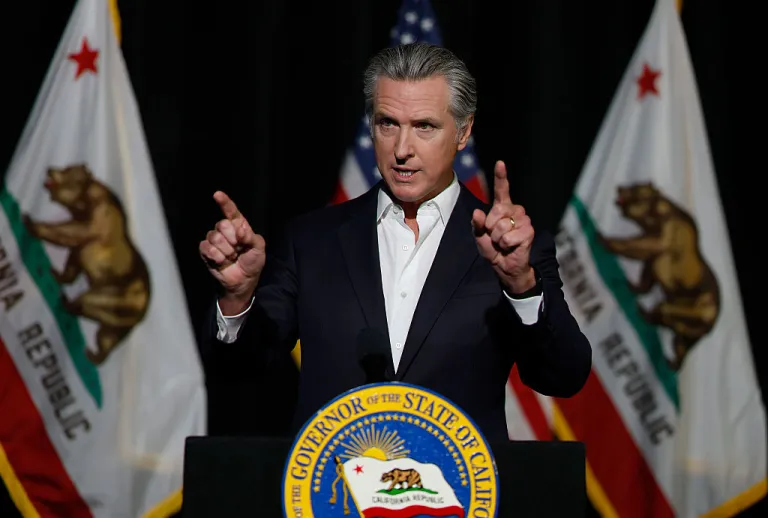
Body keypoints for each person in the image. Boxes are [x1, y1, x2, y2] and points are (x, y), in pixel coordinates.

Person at [198, 42, 592, 441]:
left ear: (463, 130)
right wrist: (236, 299)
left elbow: (564, 376)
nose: (402, 150)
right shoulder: (312, 241)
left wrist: (521, 286)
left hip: (461, 492)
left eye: (424, 126)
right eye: (388, 124)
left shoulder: (511, 249)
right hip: (333, 491)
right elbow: (239, 374)